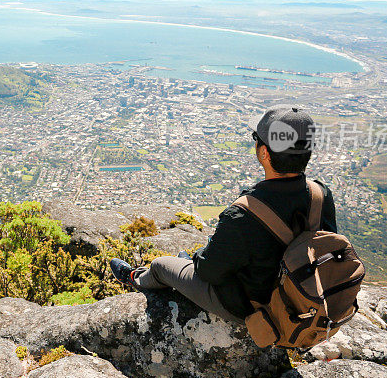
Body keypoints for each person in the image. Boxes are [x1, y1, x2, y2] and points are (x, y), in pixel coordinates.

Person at [110, 105, 337, 323]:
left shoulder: (245, 214)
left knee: (161, 265)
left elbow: (209, 272)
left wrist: (198, 257)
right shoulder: (320, 195)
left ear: (265, 153)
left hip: (254, 309)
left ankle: (134, 277)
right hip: (304, 303)